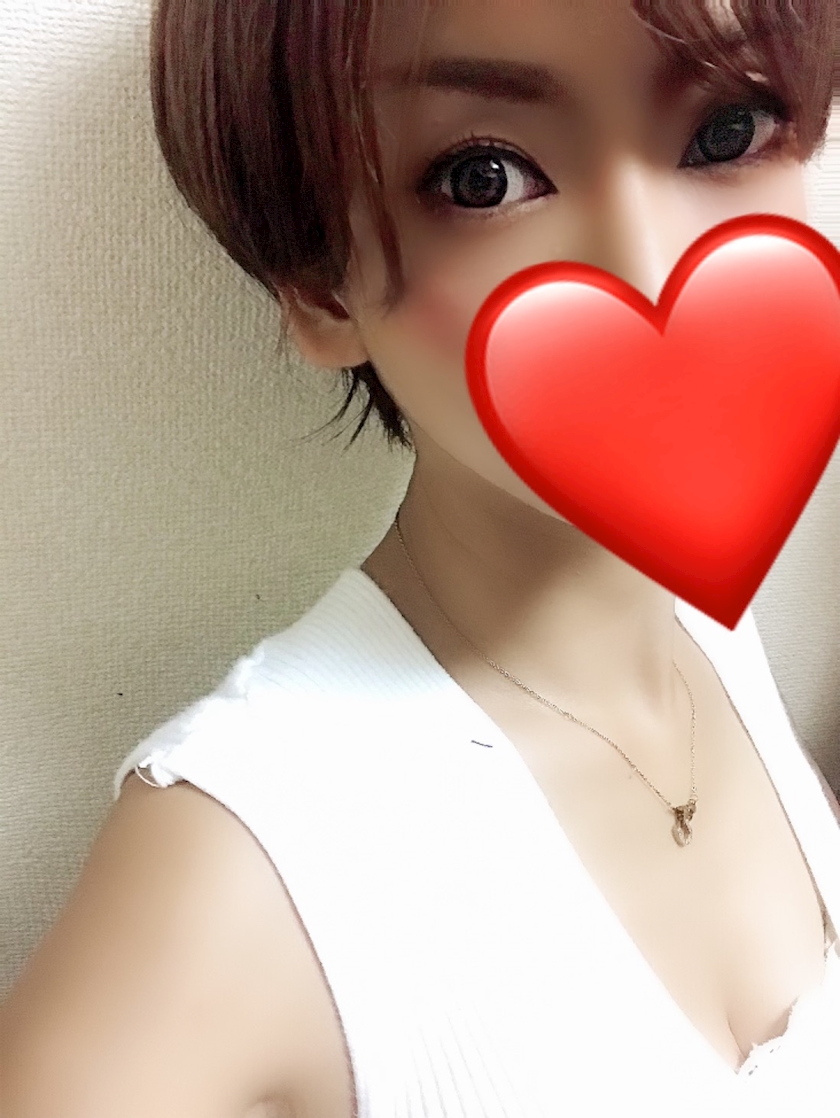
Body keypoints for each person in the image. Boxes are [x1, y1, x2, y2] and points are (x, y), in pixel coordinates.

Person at [2, 2, 840, 1116]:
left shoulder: (710, 621)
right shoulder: (236, 880)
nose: (650, 266)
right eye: (483, 178)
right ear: (319, 286)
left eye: (728, 129)